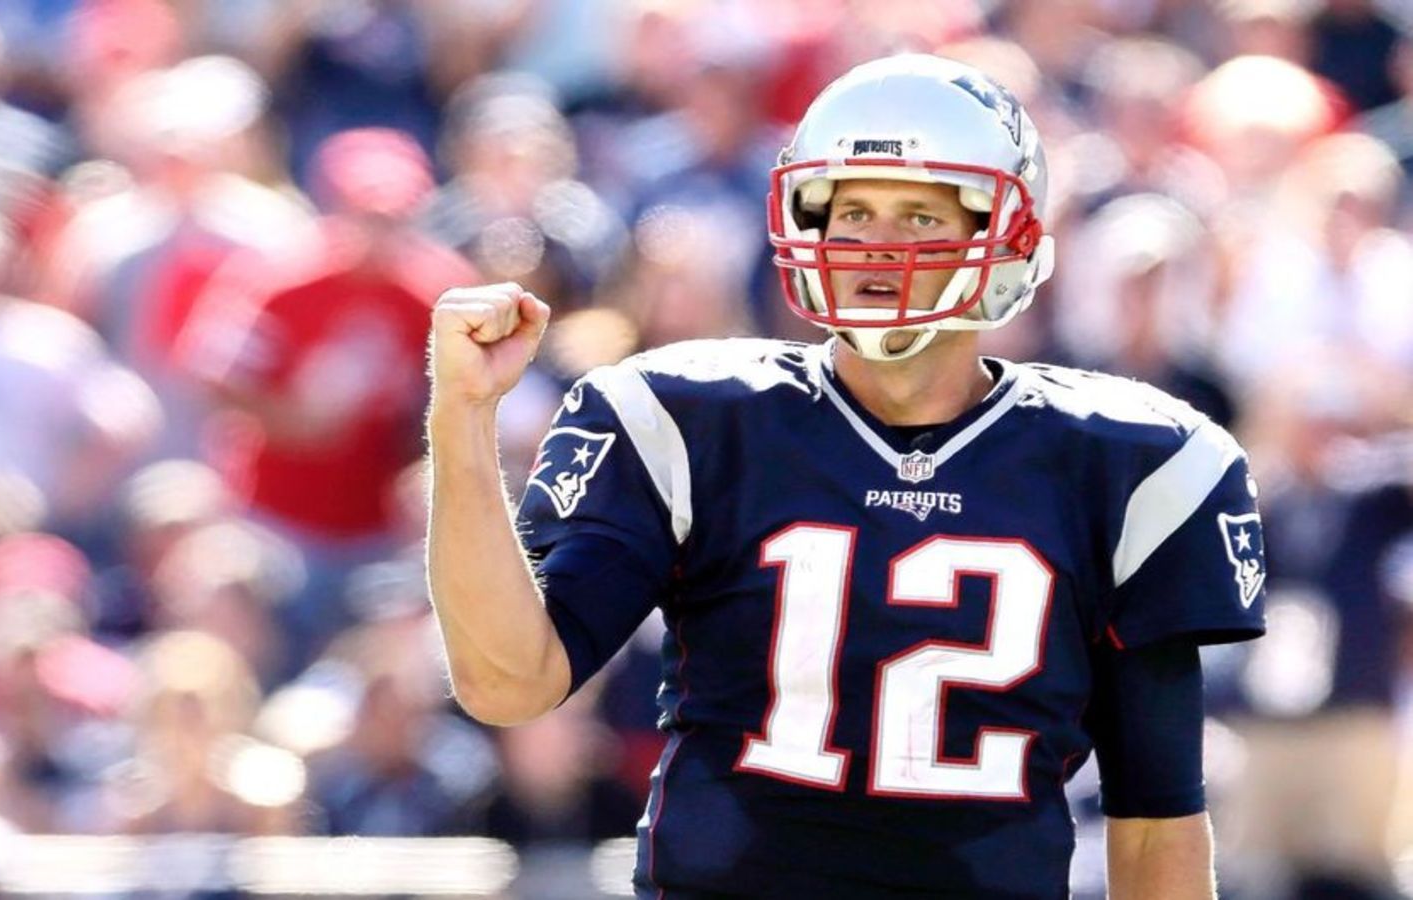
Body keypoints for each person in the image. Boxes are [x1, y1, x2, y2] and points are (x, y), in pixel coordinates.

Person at [426, 54, 1267, 898]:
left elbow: (1157, 819)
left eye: (920, 216)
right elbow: (508, 683)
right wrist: (462, 419)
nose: (876, 246)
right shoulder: (686, 419)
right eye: (854, 210)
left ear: (1000, 237)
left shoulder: (1130, 461)